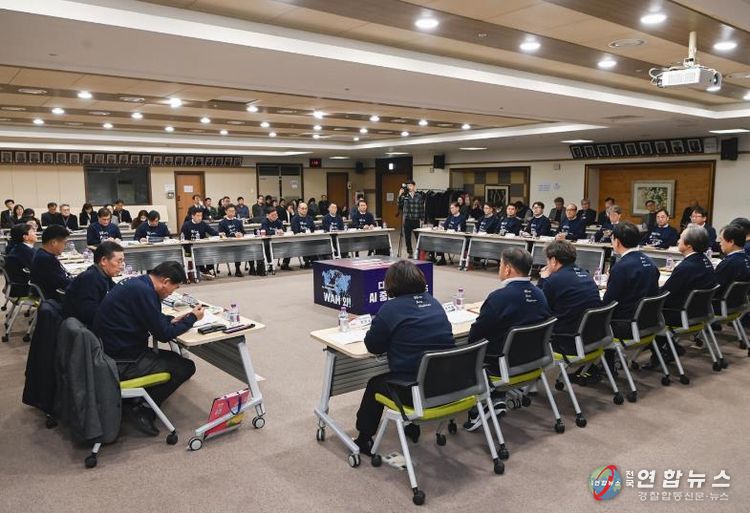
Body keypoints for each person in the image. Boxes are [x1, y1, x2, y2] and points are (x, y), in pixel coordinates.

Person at [353, 260, 454, 455]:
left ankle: (364, 439)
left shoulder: (390, 309)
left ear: (391, 284)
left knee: (375, 384)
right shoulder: (434, 302)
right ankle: (411, 426)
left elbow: (373, 346)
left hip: (414, 389)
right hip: (445, 382)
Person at [93, 261, 202, 435]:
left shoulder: (138, 284)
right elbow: (163, 335)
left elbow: (149, 316)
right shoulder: (145, 292)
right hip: (123, 361)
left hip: (112, 350)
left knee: (174, 359)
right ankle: (143, 408)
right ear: (165, 281)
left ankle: (137, 398)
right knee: (185, 366)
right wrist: (192, 319)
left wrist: (170, 320)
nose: (170, 293)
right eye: (172, 289)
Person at [465, 248, 551, 427]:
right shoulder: (540, 294)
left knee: (467, 351)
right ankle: (497, 397)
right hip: (533, 360)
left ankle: (485, 403)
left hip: (501, 365)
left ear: (508, 269)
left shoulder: (499, 298)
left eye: (500, 265)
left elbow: (475, 336)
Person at [603, 223, 659, 371]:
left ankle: (605, 367)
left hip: (625, 324)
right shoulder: (650, 262)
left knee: (591, 320)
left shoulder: (621, 267)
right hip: (649, 321)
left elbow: (608, 303)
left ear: (617, 241)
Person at [657, 226, 716, 361]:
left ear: (689, 245)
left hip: (679, 314)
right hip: (699, 312)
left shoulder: (686, 267)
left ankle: (664, 351)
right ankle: (667, 349)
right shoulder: (705, 261)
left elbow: (666, 293)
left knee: (645, 312)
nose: (678, 241)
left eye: (681, 238)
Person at [538, 240, 601, 357]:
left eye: (547, 260)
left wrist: (543, 279)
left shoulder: (554, 280)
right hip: (591, 339)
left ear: (553, 261)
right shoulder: (587, 275)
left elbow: (538, 307)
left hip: (565, 342)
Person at [63, 241, 124, 329]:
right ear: (103, 261)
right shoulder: (90, 279)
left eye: (122, 261)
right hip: (87, 330)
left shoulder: (102, 275)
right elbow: (90, 314)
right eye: (119, 261)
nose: (121, 266)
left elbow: (117, 293)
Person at [30, 225, 72, 301]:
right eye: (64, 243)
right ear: (53, 242)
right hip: (56, 298)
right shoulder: (46, 259)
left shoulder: (41, 253)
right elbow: (63, 284)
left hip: (52, 293)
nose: (65, 246)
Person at [714, 224, 750, 305]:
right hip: (741, 304)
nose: (720, 243)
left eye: (721, 240)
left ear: (731, 242)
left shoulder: (728, 264)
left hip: (722, 306)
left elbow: (714, 288)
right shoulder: (747, 259)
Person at [180, 210, 217, 279]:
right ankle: (202, 271)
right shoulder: (186, 225)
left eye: (201, 216)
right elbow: (182, 238)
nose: (200, 218)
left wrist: (220, 234)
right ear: (193, 216)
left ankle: (206, 270)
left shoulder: (203, 224)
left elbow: (212, 232)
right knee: (194, 254)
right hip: (189, 248)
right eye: (198, 216)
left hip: (201, 247)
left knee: (210, 251)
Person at [398, 180, 424, 259]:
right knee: (407, 237)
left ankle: (419, 252)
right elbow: (399, 205)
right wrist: (400, 195)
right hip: (407, 219)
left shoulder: (419, 196)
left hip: (416, 219)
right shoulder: (404, 196)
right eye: (408, 186)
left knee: (418, 237)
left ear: (414, 186)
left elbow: (421, 208)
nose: (409, 187)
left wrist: (422, 219)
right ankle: (410, 252)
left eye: (410, 185)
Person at [218, 204, 246, 277]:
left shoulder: (238, 221)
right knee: (237, 249)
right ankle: (237, 269)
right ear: (226, 211)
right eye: (230, 211)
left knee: (249, 247)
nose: (232, 213)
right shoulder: (222, 223)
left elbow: (243, 232)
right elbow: (222, 235)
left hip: (238, 243)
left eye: (233, 211)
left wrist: (241, 234)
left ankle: (252, 268)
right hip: (227, 244)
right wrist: (234, 235)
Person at [435, 201, 466, 266]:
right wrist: (440, 227)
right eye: (450, 208)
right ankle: (441, 259)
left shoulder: (462, 218)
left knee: (440, 241)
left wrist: (449, 229)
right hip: (448, 237)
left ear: (457, 208)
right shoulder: (450, 216)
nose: (451, 210)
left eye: (452, 208)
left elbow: (459, 229)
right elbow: (445, 226)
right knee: (437, 240)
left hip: (458, 239)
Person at [291, 202, 316, 268]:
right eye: (302, 208)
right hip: (299, 239)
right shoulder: (294, 219)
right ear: (298, 209)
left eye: (306, 208)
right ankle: (307, 261)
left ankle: (314, 261)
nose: (304, 210)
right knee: (306, 243)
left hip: (310, 238)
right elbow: (295, 231)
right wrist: (305, 231)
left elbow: (313, 229)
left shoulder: (310, 218)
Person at [261, 206, 286, 271]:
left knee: (289, 245)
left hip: (278, 241)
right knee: (267, 247)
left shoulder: (278, 221)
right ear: (267, 215)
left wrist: (281, 231)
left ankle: (285, 263)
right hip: (268, 241)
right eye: (273, 215)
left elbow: (283, 229)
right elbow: (265, 231)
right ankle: (270, 264)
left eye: (276, 214)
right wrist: (276, 232)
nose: (275, 216)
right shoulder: (264, 222)